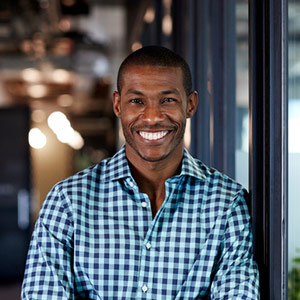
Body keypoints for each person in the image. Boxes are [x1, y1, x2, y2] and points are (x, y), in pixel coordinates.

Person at [21, 45, 259, 299]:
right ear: (117, 105)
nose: (152, 117)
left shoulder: (226, 203)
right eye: (137, 101)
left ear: (190, 105)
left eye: (168, 100)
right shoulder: (67, 201)